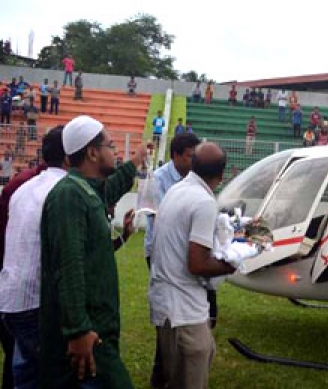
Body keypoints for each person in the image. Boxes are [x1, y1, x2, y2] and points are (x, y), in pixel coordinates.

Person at [39, 115, 147, 389]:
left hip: (96, 330)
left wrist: (135, 163)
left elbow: (110, 189)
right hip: (87, 335)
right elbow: (69, 264)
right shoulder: (69, 195)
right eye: (111, 145)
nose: (116, 152)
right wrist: (78, 331)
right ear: (92, 152)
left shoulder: (87, 191)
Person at [148, 142, 249, 389]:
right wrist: (234, 261)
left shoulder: (177, 189)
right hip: (183, 310)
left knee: (203, 354)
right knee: (191, 375)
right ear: (222, 175)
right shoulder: (204, 201)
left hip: (170, 304)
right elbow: (197, 263)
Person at [0, 126, 67, 389]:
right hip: (33, 297)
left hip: (12, 291)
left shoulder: (24, 185)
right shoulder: (58, 190)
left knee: (22, 365)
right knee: (39, 371)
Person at [144, 133, 201, 389]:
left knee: (183, 312)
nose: (194, 160)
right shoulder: (158, 180)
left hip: (182, 252)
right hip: (160, 253)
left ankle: (178, 367)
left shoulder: (193, 180)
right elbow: (164, 218)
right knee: (166, 315)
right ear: (176, 155)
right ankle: (162, 373)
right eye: (190, 155)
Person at [0, 150, 48, 389]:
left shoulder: (24, 184)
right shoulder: (27, 186)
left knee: (17, 359)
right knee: (24, 362)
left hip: (11, 283)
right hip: (21, 287)